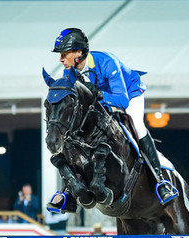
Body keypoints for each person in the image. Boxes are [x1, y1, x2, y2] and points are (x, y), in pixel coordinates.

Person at [46, 27, 178, 213]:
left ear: (79, 53)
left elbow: (121, 100)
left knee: (137, 125)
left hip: (130, 94)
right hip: (102, 100)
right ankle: (68, 191)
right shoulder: (70, 73)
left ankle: (160, 181)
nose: (60, 59)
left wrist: (98, 95)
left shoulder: (107, 62)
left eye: (64, 54)